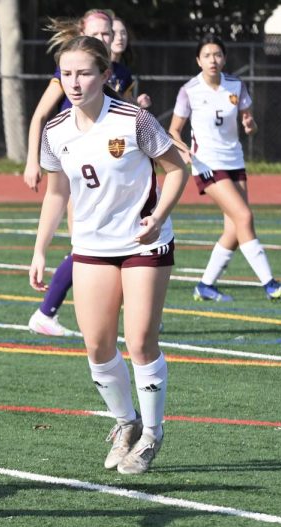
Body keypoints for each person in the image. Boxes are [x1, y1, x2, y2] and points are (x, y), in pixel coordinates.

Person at [28, 36, 188, 474]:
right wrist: (41, 248)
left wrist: (157, 215)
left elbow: (177, 169)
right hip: (92, 247)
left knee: (139, 341)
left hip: (143, 243)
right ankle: (126, 423)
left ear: (103, 75)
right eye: (66, 74)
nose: (74, 82)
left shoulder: (132, 118)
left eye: (83, 73)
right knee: (97, 345)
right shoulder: (56, 130)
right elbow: (57, 190)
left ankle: (152, 434)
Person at [25, 11, 153, 337]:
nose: (108, 39)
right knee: (83, 242)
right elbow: (41, 114)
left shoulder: (120, 73)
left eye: (110, 34)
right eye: (99, 33)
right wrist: (32, 160)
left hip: (109, 165)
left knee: (107, 240)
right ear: (83, 32)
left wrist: (136, 104)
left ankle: (135, 308)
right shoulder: (71, 71)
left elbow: (122, 116)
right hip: (76, 163)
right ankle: (48, 312)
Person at [169, 34, 281, 302]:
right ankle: (269, 283)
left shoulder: (235, 85)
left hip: (234, 160)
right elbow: (174, 130)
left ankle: (205, 286)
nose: (213, 60)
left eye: (218, 54)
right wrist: (183, 150)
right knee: (244, 217)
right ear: (198, 60)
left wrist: (250, 126)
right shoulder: (190, 90)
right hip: (207, 163)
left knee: (235, 229)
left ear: (224, 58)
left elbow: (250, 122)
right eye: (208, 55)